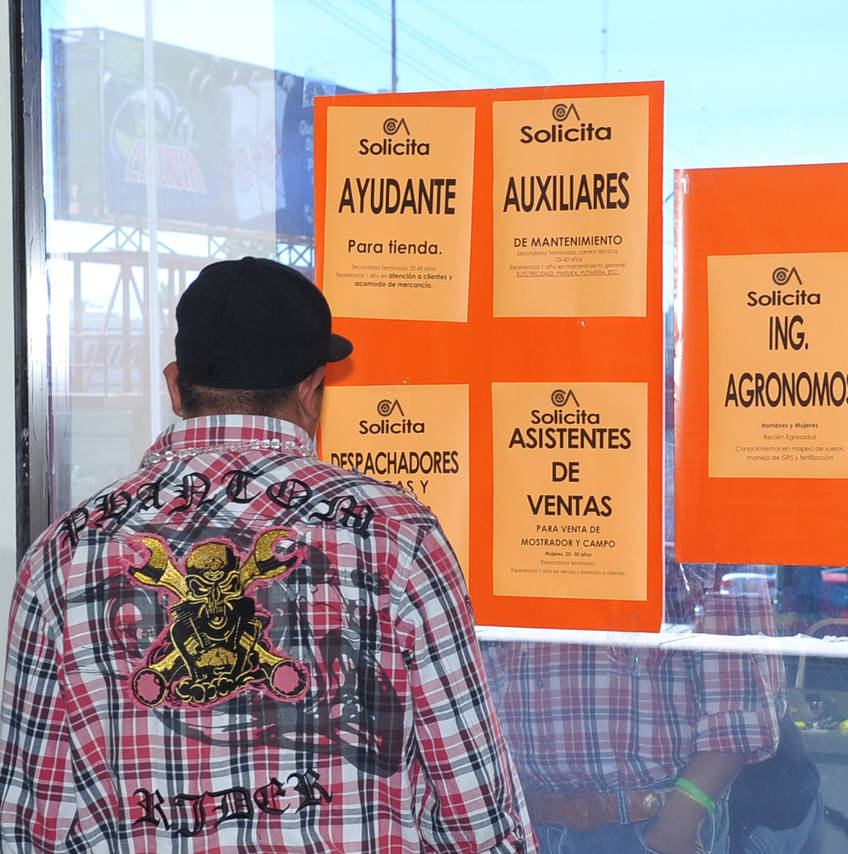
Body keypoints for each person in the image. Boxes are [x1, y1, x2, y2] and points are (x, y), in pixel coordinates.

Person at [0, 257, 535, 852]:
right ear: (312, 391)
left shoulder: (63, 552)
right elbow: (475, 811)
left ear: (175, 386)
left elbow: (29, 821)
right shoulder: (399, 536)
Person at [484, 562, 783, 854]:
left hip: (655, 822)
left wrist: (680, 820)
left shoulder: (690, 538)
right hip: (525, 821)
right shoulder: (514, 544)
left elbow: (739, 706)